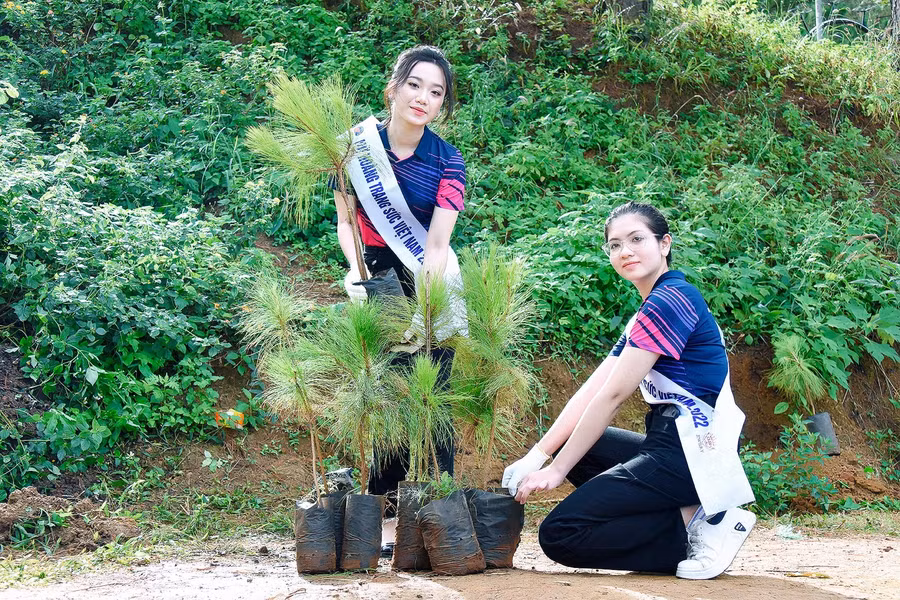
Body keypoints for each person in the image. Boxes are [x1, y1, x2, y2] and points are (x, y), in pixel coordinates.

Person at [502, 201, 756, 580]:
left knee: (561, 534)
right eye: (615, 245)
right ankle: (693, 509)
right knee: (589, 445)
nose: (625, 251)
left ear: (664, 244)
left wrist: (558, 470)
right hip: (669, 444)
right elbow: (592, 389)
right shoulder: (649, 308)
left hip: (695, 451)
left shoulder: (671, 301)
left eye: (637, 239)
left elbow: (614, 396)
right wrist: (538, 455)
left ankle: (697, 521)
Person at [332, 46, 465, 502]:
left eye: (435, 92)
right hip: (378, 275)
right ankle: (386, 499)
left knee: (434, 390)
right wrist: (354, 270)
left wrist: (425, 306)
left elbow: (436, 243)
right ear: (393, 89)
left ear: (441, 105)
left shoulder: (448, 160)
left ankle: (441, 496)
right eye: (415, 85)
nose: (423, 98)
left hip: (430, 273)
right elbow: (346, 220)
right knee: (389, 387)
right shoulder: (353, 148)